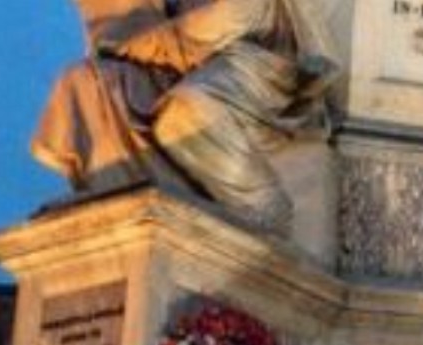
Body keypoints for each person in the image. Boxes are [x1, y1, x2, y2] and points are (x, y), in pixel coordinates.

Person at [34, 0, 338, 234]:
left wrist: (142, 44)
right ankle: (114, 199)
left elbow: (226, 20)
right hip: (179, 61)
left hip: (253, 64)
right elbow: (121, 27)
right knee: (84, 82)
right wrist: (131, 37)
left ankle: (262, 204)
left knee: (187, 112)